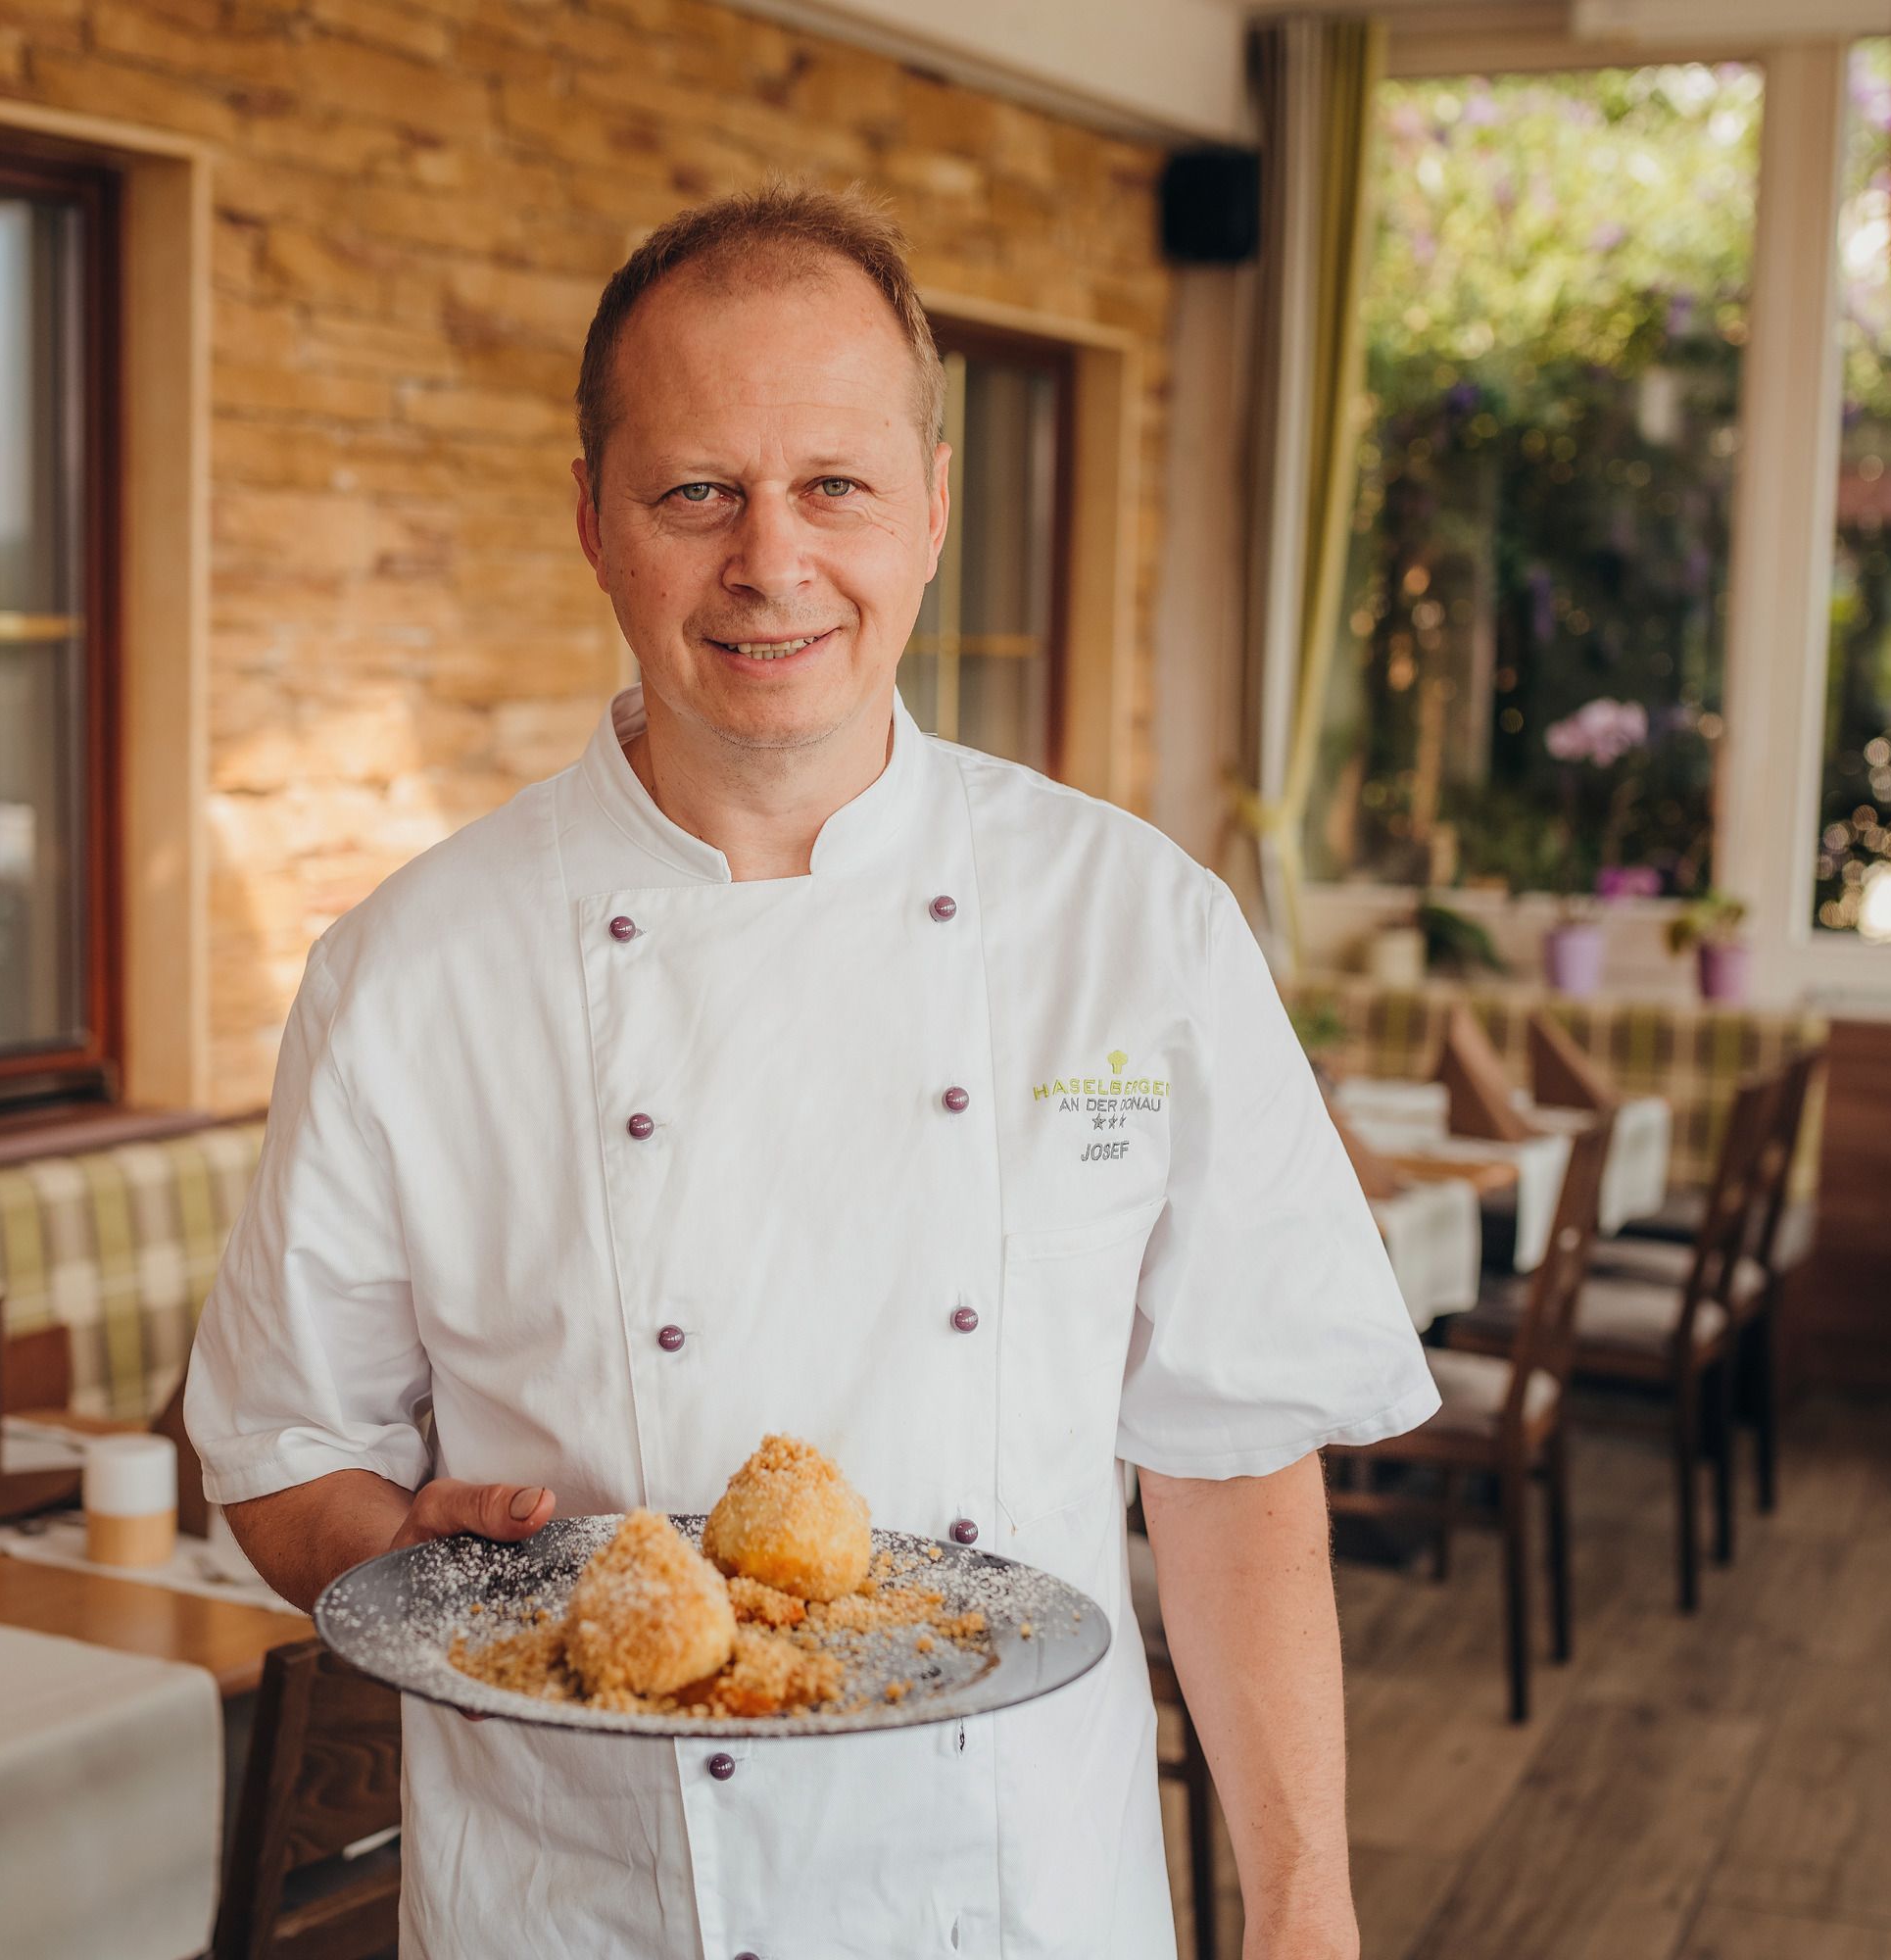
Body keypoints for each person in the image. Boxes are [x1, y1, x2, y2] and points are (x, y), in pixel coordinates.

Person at [184, 182, 1434, 1960]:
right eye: (697, 491)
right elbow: (284, 1453)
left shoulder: (1134, 926)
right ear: (596, 524)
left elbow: (1232, 1462)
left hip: (1016, 1904)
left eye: (833, 485)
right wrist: (400, 1546)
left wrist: (1306, 1908)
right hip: (582, 1913)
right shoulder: (410, 970)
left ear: (932, 510)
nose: (771, 561)